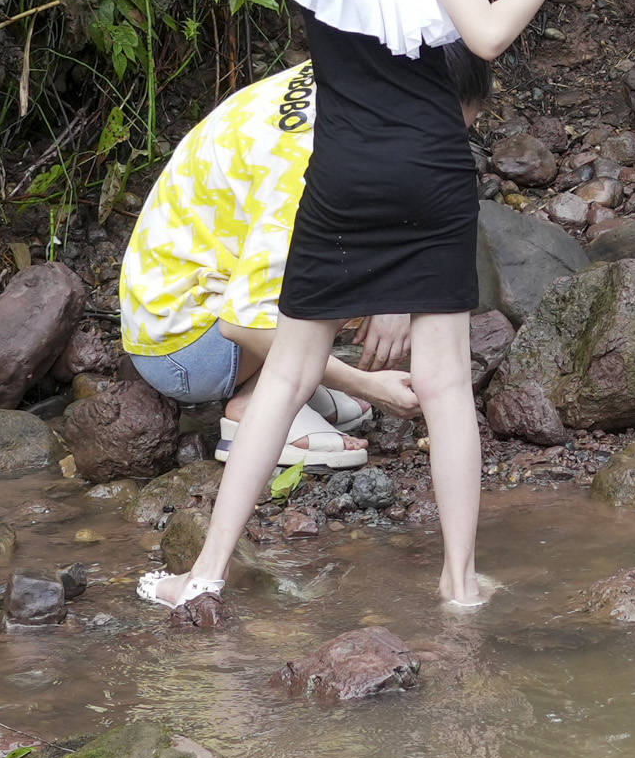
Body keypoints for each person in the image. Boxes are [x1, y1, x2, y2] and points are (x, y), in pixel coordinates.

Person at [140, 0, 578, 620]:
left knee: (291, 373)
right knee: (447, 383)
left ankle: (206, 572)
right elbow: (486, 30)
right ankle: (459, 584)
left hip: (341, 171)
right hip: (427, 168)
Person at [114, 62, 422, 476]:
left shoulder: (345, 74)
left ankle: (296, 383)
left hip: (175, 300)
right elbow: (243, 325)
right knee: (344, 261)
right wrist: (365, 383)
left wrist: (393, 295)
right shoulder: (307, 172)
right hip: (186, 350)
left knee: (358, 249)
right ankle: (256, 404)